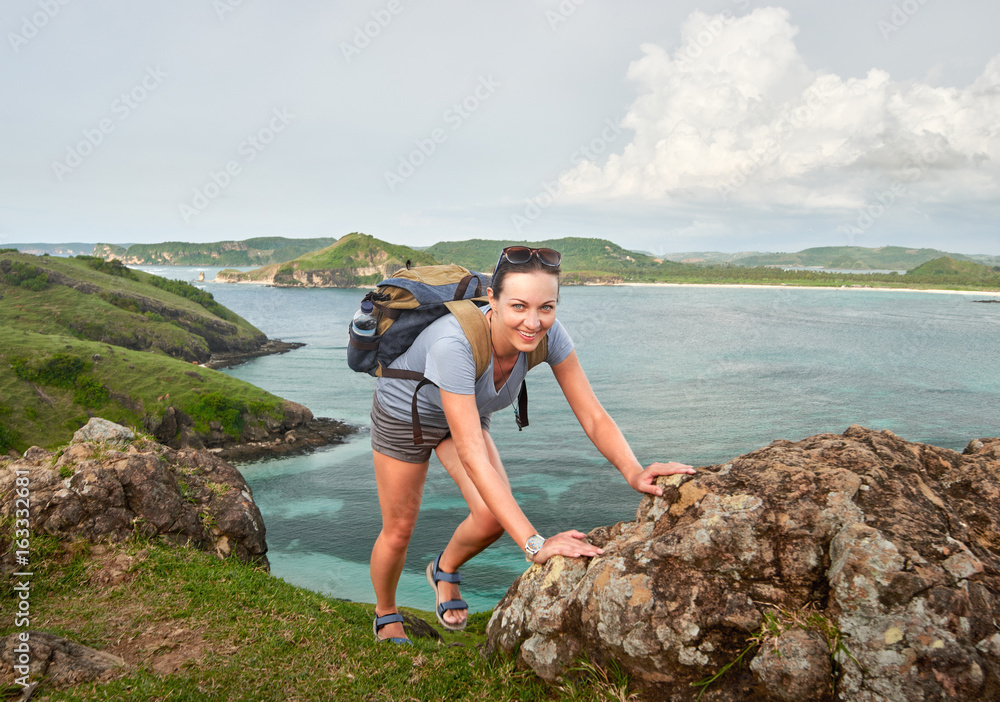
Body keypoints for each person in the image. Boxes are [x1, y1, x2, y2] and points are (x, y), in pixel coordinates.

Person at [368, 246, 695, 643]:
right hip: (406, 416)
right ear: (492, 298)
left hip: (464, 414)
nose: (533, 321)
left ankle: (443, 568)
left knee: (490, 517)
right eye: (519, 306)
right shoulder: (452, 345)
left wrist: (633, 469)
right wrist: (534, 543)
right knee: (399, 529)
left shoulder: (549, 335)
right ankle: (386, 611)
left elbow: (592, 414)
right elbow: (472, 455)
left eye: (546, 307)